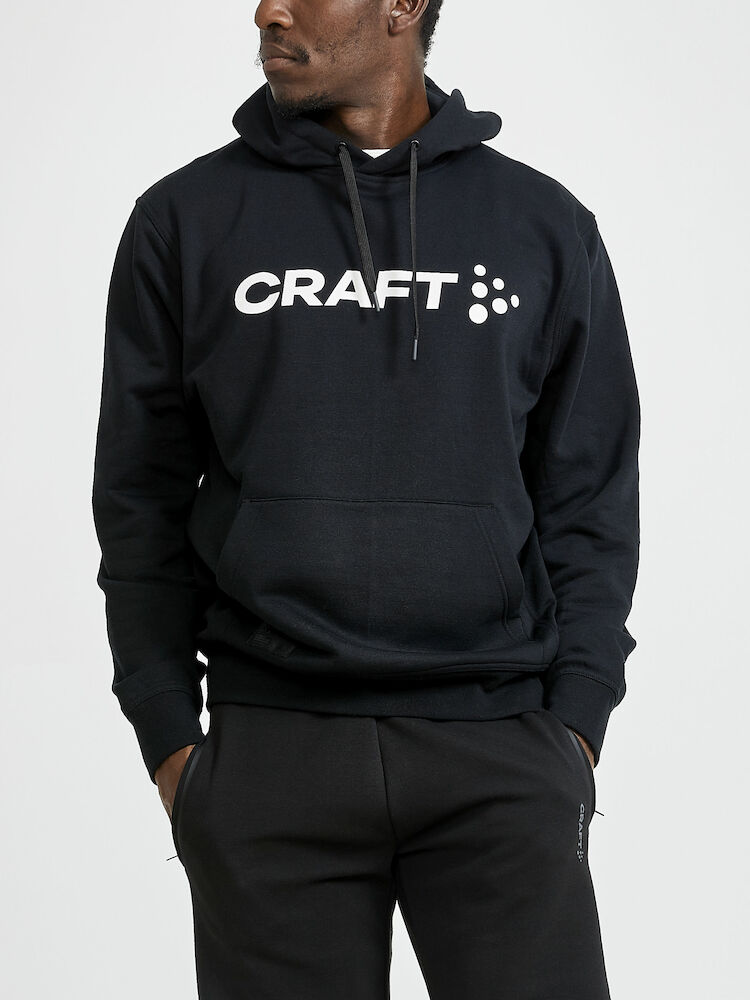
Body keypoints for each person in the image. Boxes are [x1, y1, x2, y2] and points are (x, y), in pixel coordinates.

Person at [92, 1, 640, 997]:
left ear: (402, 6)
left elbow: (589, 497)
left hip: (499, 749)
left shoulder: (543, 226)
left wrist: (577, 725)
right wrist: (171, 738)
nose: (268, 9)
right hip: (271, 753)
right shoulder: (185, 219)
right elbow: (139, 500)